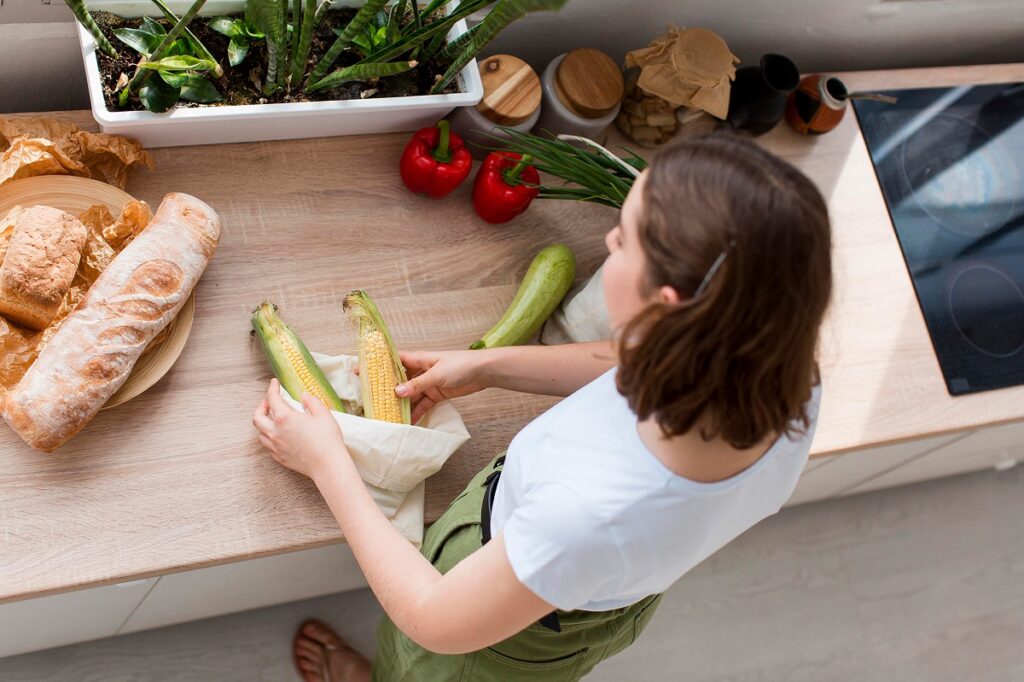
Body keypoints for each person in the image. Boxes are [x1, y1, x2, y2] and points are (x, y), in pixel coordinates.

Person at [252, 134, 833, 682]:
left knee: (424, 668)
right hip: (595, 590)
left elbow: (433, 618)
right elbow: (633, 359)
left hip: (503, 630)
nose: (607, 240)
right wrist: (487, 366)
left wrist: (328, 462)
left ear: (667, 304)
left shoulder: (588, 514)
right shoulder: (783, 373)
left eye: (623, 239)